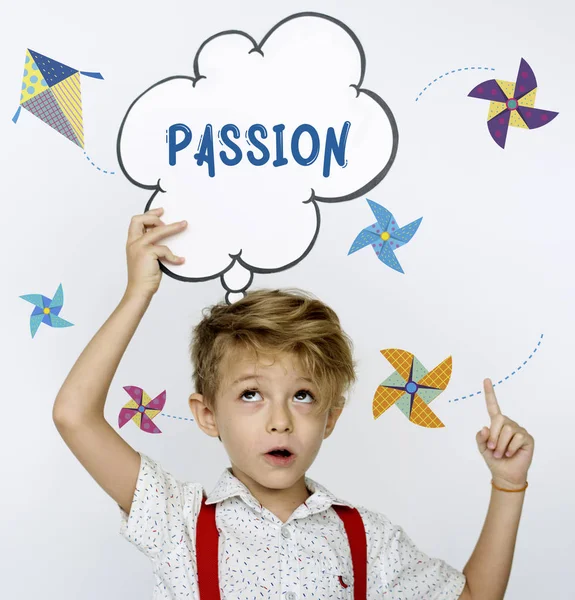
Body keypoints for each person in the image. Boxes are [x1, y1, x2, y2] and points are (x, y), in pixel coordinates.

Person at [53, 207, 535, 600]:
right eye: (251, 394)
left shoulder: (367, 538)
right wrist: (140, 290)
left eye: (303, 397)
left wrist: (507, 485)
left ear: (331, 418)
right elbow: (74, 415)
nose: (280, 421)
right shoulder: (177, 520)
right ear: (206, 414)